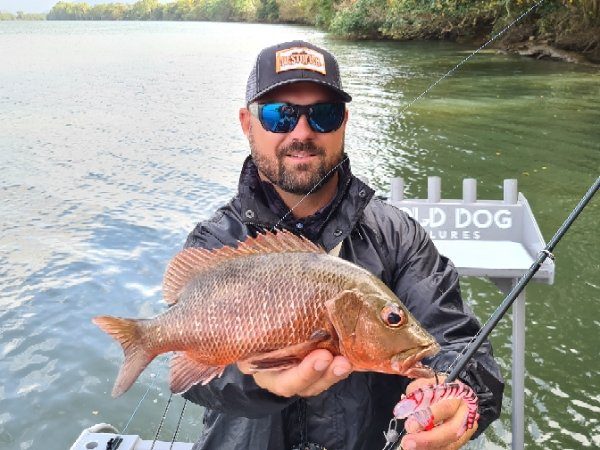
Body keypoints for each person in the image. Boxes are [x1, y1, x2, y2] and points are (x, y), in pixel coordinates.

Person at [182, 40, 504, 450]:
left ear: (344, 121)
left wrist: (458, 391)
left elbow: (456, 342)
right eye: (279, 115)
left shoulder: (398, 236)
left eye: (324, 114)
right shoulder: (215, 241)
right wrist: (257, 381)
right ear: (247, 123)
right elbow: (189, 374)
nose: (302, 133)